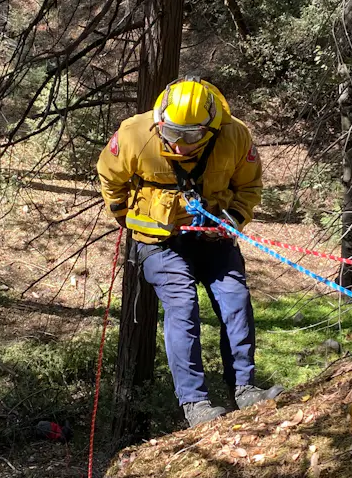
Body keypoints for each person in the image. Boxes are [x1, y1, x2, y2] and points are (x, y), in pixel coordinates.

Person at [96, 75, 282, 428]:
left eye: (191, 136)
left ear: (210, 129)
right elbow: (110, 177)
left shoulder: (235, 136)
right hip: (158, 242)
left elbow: (249, 186)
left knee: (235, 298)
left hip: (212, 238)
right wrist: (129, 218)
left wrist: (231, 220)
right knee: (182, 304)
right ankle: (195, 404)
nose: (179, 145)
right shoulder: (135, 134)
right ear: (160, 122)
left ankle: (244, 389)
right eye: (172, 134)